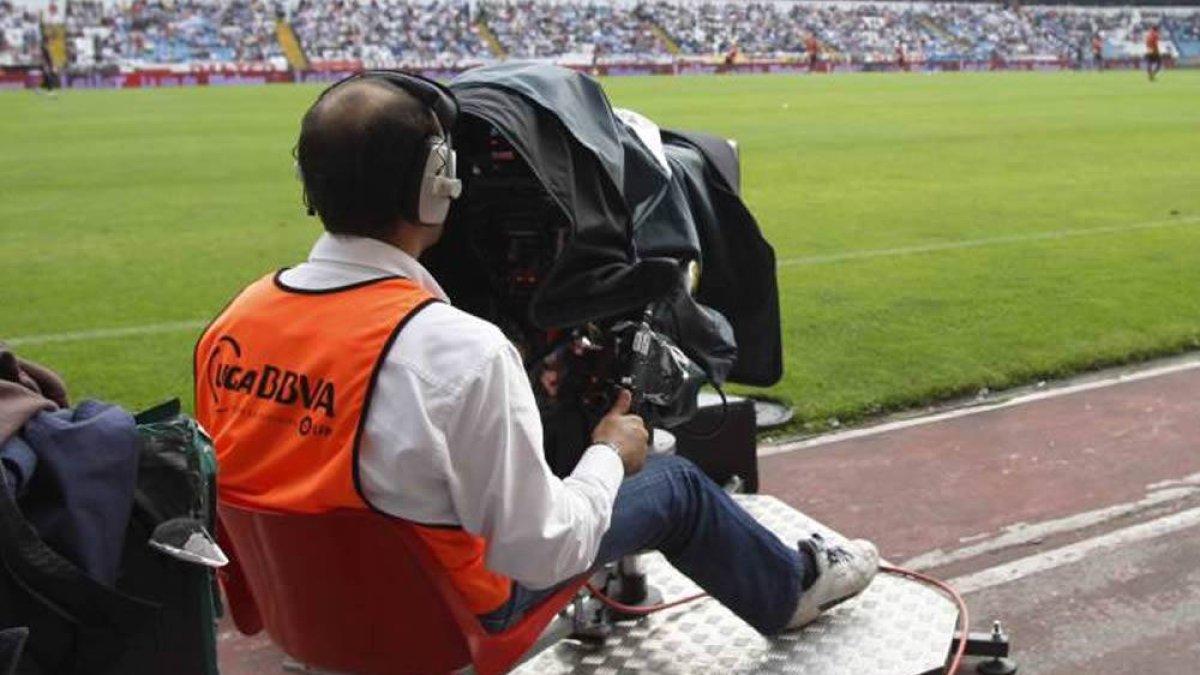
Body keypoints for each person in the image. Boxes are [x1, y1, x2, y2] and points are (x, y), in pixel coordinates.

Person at [194, 72, 879, 639]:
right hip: (447, 623)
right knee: (673, 486)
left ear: (310, 186)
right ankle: (792, 585)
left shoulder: (230, 325)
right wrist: (611, 448)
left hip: (307, 617)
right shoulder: (460, 352)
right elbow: (546, 546)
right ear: (437, 185)